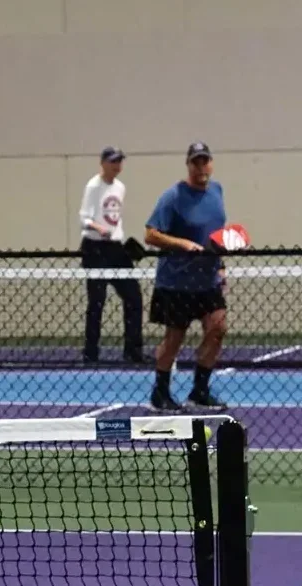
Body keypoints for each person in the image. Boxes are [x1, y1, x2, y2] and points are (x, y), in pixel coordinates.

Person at [143, 141, 229, 413]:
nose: (201, 167)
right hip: (176, 283)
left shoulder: (217, 191)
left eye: (205, 161)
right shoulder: (173, 196)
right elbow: (150, 234)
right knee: (174, 340)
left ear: (211, 163)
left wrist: (221, 264)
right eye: (196, 162)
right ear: (188, 165)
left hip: (207, 281)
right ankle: (160, 393)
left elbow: (214, 233)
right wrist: (183, 244)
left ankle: (199, 391)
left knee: (218, 328)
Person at [78, 147, 147, 364]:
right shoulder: (93, 186)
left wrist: (119, 236)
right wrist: (99, 228)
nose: (117, 165)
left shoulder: (120, 187)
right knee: (97, 301)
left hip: (115, 248)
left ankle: (133, 350)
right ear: (103, 163)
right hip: (95, 248)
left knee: (134, 297)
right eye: (113, 161)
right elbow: (84, 218)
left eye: (119, 161)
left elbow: (115, 217)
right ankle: (91, 352)